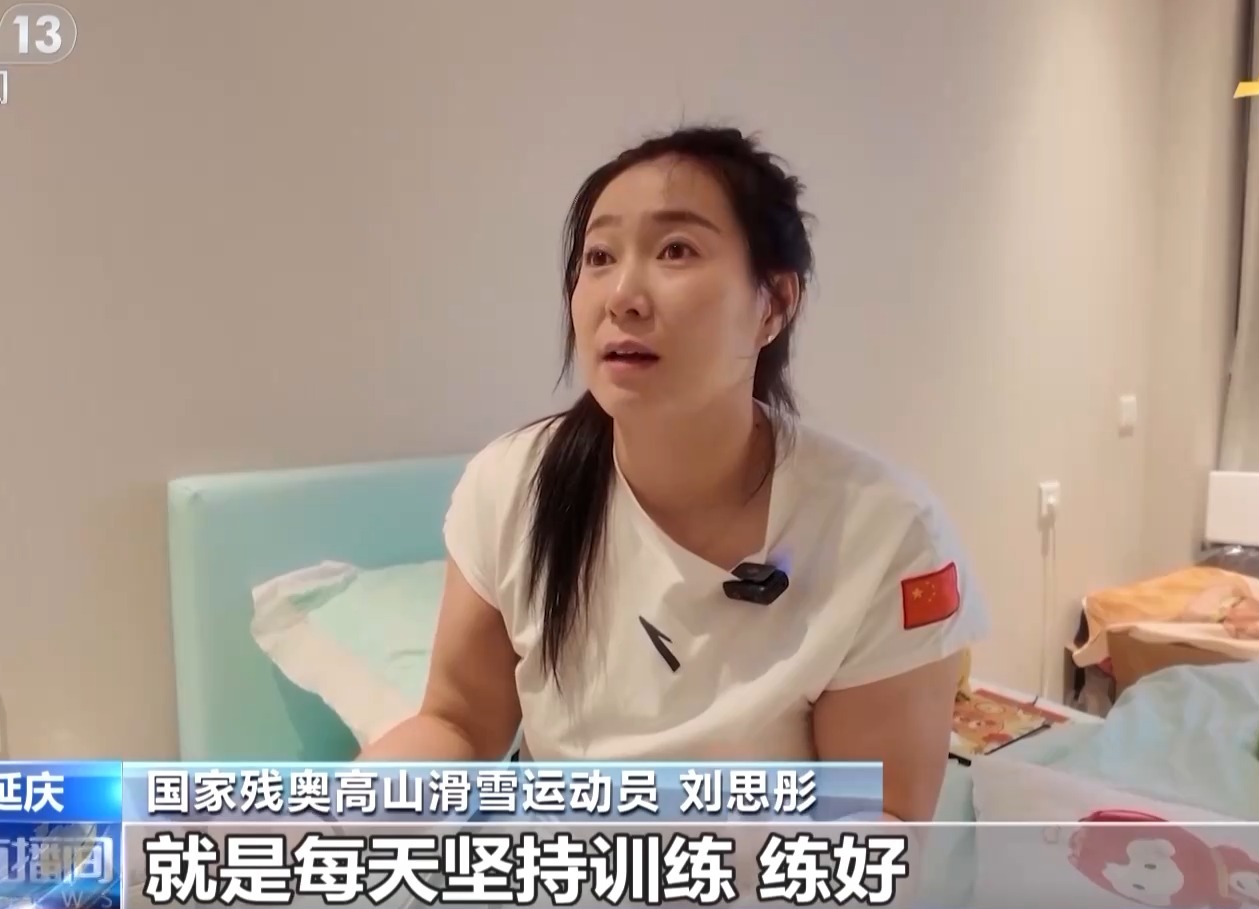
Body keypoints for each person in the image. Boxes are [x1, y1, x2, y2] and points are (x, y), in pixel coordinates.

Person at [360, 125, 987, 823]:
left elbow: (878, 829)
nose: (622, 295)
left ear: (774, 304)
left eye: (676, 250)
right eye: (599, 257)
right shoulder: (513, 486)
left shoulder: (885, 534)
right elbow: (458, 724)